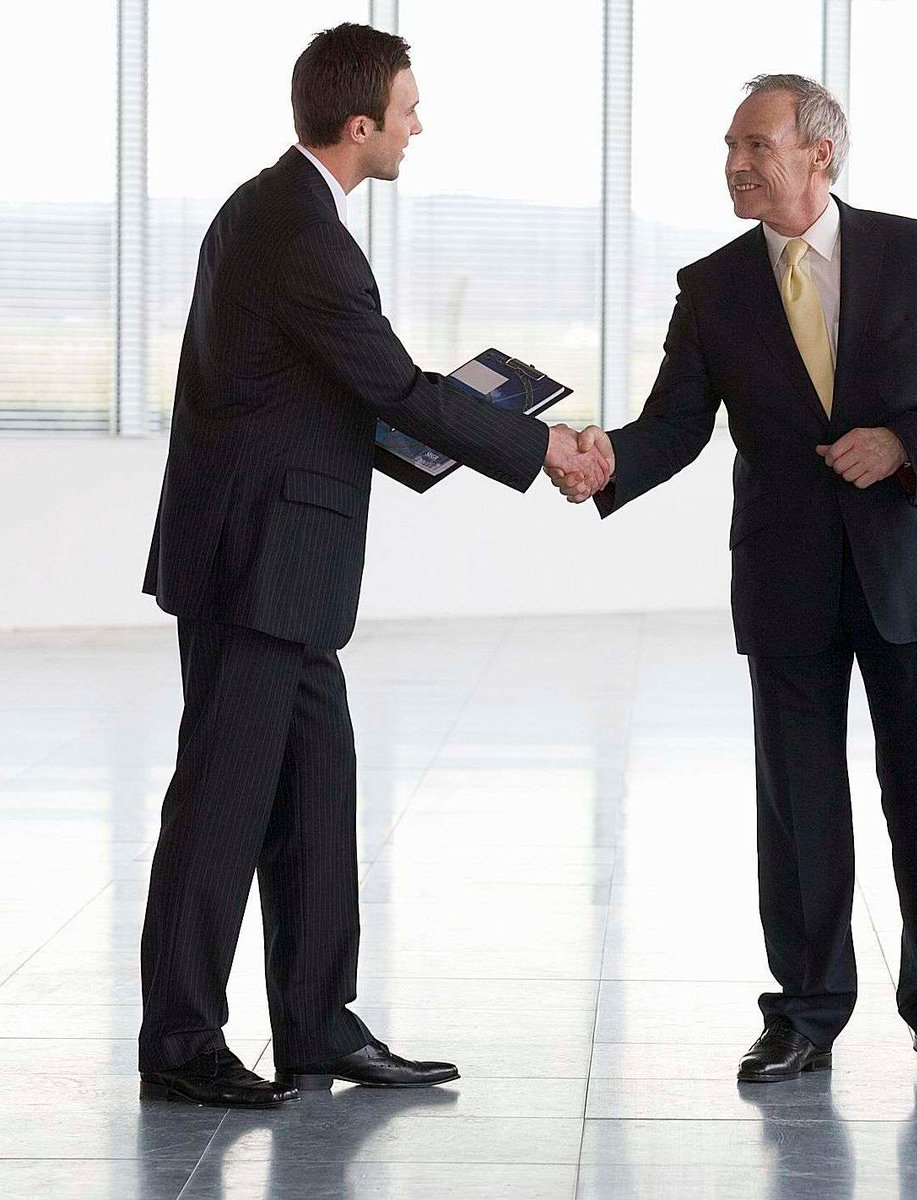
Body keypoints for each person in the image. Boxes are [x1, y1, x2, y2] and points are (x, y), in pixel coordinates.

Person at [136, 23, 608, 1109]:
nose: (416, 127)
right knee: (220, 808)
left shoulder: (273, 210)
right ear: (360, 125)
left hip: (282, 570)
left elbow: (331, 389)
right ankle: (180, 1044)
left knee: (315, 795)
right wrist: (541, 445)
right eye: (407, 110)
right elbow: (391, 386)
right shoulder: (300, 232)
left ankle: (316, 1024)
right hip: (257, 567)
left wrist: (449, 424)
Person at [550, 75, 917, 1084]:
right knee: (797, 804)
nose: (736, 165)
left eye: (756, 145)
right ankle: (804, 1012)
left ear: (817, 154)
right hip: (784, 573)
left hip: (906, 566)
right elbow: (674, 425)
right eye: (729, 147)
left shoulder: (913, 250)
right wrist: (604, 461)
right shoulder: (711, 285)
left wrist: (905, 443)